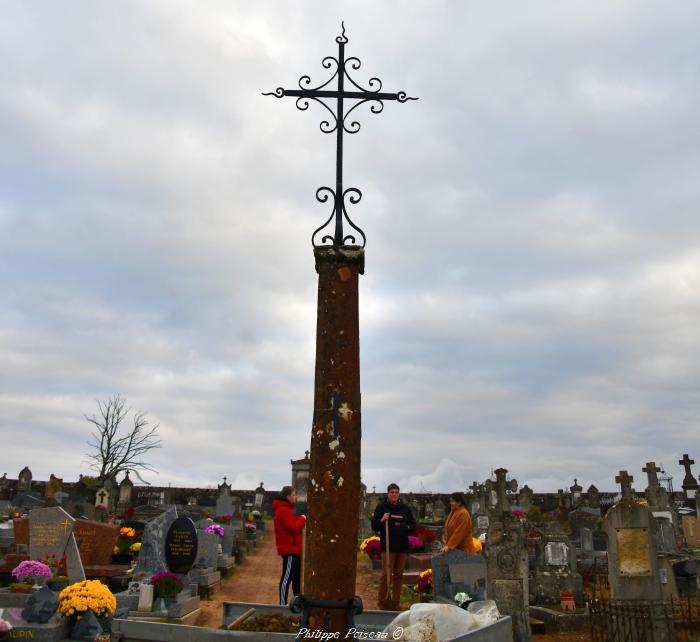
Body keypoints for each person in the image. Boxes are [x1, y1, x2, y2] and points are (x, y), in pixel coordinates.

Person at [371, 483, 416, 610]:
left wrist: (406, 527)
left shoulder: (405, 509)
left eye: (396, 492)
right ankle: (383, 602)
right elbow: (374, 526)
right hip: (388, 547)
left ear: (399, 494)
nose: (394, 494)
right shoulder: (381, 508)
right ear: (388, 494)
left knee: (398, 575)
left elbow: (413, 525)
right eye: (392, 492)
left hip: (402, 546)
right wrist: (381, 520)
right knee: (386, 574)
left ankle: (395, 603)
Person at [272, 485, 306, 605]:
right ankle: (282, 604)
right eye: (293, 495)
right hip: (290, 550)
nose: (296, 497)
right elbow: (292, 528)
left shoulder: (287, 510)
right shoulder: (283, 511)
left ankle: (297, 603)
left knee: (296, 578)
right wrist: (302, 518)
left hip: (294, 549)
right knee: (287, 578)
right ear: (287, 497)